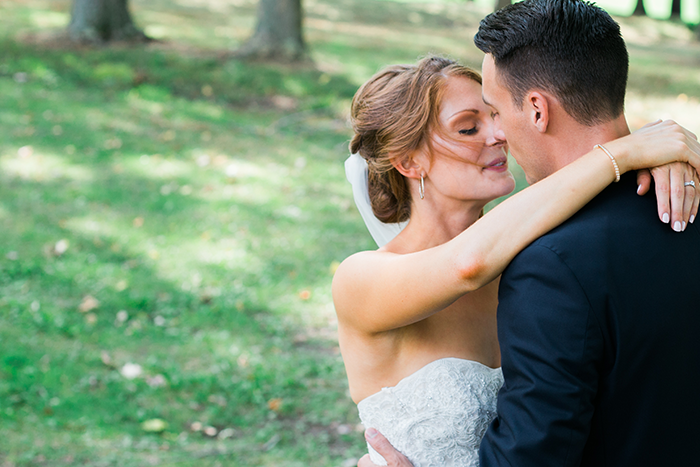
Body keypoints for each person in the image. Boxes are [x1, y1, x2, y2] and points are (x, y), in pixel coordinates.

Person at [353, 1, 700, 467]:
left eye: (493, 113)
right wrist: (627, 148)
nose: (497, 134)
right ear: (409, 161)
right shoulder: (363, 279)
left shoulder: (542, 263)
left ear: (536, 110)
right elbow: (466, 263)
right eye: (470, 125)